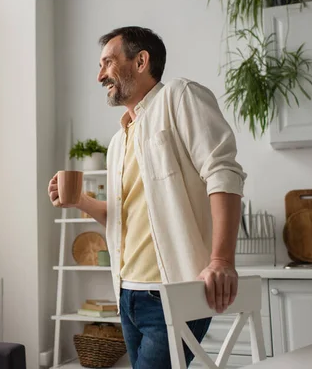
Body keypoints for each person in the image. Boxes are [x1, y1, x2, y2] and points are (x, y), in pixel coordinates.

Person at [47, 26, 246, 368]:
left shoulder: (179, 97)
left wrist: (222, 261)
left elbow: (223, 172)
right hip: (127, 295)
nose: (99, 76)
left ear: (141, 61)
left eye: (107, 62)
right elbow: (122, 218)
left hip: (172, 291)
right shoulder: (117, 143)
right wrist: (79, 200)